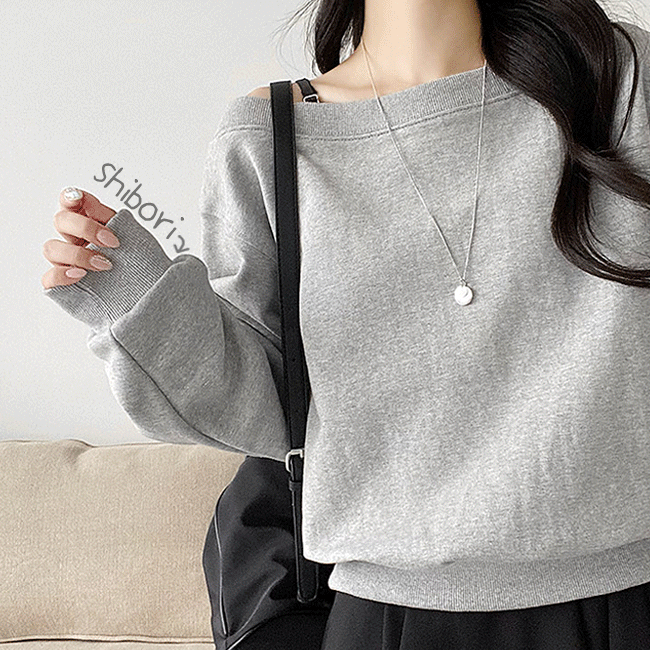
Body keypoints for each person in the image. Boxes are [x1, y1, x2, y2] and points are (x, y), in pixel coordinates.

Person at [42, 0, 650, 647]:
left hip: (628, 596)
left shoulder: (618, 79)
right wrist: (137, 296)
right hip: (391, 617)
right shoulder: (272, 134)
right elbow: (269, 406)